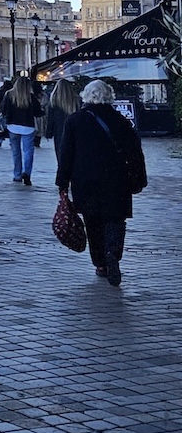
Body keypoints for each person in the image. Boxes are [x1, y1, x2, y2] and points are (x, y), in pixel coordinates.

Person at [55, 79, 145, 286]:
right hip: (116, 179)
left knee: (93, 222)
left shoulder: (75, 120)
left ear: (86, 95)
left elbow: (66, 154)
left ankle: (101, 263)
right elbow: (134, 152)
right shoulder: (120, 120)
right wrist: (139, 179)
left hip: (86, 181)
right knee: (115, 220)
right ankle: (113, 252)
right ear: (109, 96)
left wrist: (62, 182)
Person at [1, 74, 38, 184]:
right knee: (28, 151)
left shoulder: (9, 94)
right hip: (28, 126)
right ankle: (27, 173)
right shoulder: (30, 97)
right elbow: (38, 111)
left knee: (16, 152)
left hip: (13, 126)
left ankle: (17, 174)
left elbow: (4, 109)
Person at [42, 78, 80, 160]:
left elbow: (51, 119)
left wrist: (49, 132)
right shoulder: (77, 100)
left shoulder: (54, 102)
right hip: (75, 131)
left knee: (60, 154)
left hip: (59, 131)